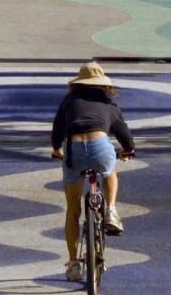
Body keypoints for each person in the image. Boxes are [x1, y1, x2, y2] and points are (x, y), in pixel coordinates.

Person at [52, 61, 137, 282]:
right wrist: (128, 149)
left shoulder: (69, 100)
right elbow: (123, 133)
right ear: (104, 85)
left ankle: (73, 263)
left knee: (73, 209)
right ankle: (110, 210)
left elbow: (57, 127)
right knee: (110, 172)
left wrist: (56, 149)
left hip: (73, 149)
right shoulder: (110, 104)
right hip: (100, 146)